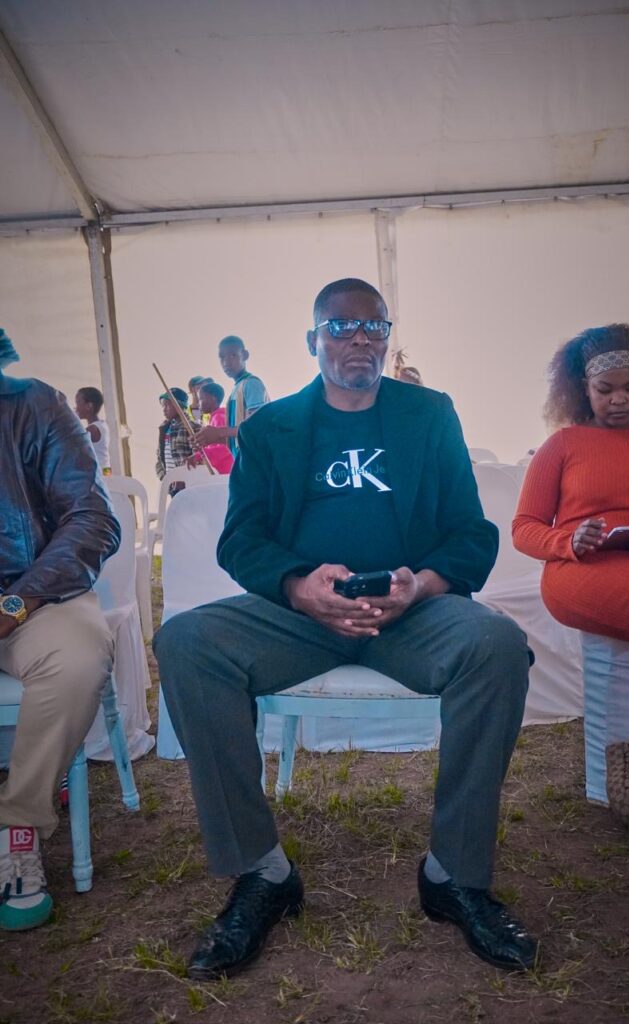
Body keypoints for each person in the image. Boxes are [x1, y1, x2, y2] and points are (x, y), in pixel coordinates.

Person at [154, 278, 537, 978]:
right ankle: (262, 871)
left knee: (497, 644)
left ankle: (453, 873)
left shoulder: (429, 415)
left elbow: (471, 533)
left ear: (387, 338)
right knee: (186, 641)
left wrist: (419, 585)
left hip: (411, 614)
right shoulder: (270, 427)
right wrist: (300, 587)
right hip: (299, 617)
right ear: (313, 340)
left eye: (374, 326)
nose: (359, 337)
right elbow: (242, 541)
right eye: (340, 326)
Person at [512, 324, 629, 851]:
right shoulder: (563, 445)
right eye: (605, 390)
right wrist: (568, 540)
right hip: (579, 572)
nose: (618, 399)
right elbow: (524, 529)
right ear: (582, 388)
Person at [0, 328, 120, 931]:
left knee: (77, 658)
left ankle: (17, 824)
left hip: (35, 595)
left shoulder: (35, 405)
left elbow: (92, 517)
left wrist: (16, 602)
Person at [193, 335, 269, 458]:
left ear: (245, 355)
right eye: (222, 357)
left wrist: (219, 432)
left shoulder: (251, 384)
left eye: (233, 355)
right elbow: (238, 438)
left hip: (258, 460)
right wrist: (209, 439)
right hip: (243, 460)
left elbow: (256, 427)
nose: (226, 362)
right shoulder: (235, 390)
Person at [156, 388, 197, 496]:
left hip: (188, 486)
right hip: (171, 485)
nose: (164, 409)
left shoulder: (192, 428)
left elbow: (198, 458)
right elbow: (159, 458)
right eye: (163, 405)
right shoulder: (164, 429)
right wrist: (165, 478)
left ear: (180, 406)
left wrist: (184, 478)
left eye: (167, 405)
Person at [190, 382, 234, 475]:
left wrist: (198, 455)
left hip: (224, 472)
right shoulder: (214, 417)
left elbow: (225, 447)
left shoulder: (219, 418)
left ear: (212, 399)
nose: (198, 403)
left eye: (200, 399)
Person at [75, 386, 111, 474]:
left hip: (100, 474)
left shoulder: (92, 429)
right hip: (106, 471)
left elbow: (70, 443)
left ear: (88, 406)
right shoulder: (102, 425)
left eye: (78, 403)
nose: (76, 408)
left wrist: (72, 418)